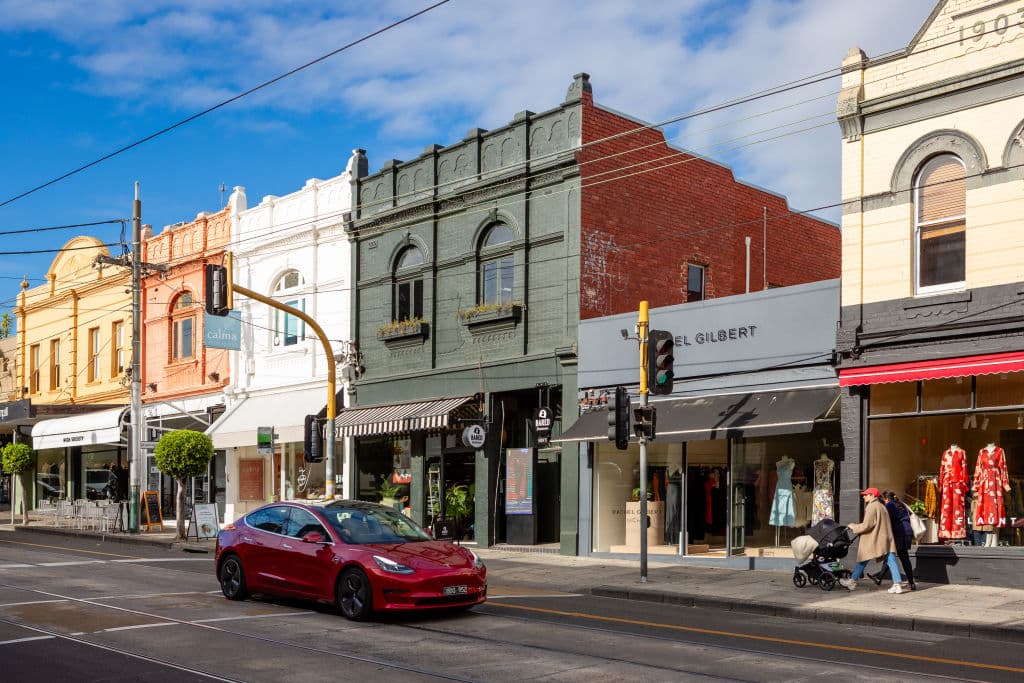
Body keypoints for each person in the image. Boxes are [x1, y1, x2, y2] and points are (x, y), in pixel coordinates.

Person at [838, 487, 905, 594]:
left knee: (863, 558)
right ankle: (897, 584)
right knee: (890, 559)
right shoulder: (882, 506)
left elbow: (867, 525)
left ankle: (852, 582)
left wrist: (853, 526)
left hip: (875, 539)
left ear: (872, 495)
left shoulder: (871, 506)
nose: (864, 497)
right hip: (885, 538)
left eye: (866, 495)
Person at [867, 491, 917, 591]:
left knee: (891, 555)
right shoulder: (902, 504)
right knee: (903, 557)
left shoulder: (890, 505)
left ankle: (884, 579)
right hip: (907, 532)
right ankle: (911, 583)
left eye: (883, 500)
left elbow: (885, 520)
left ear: (886, 499)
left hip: (899, 533)